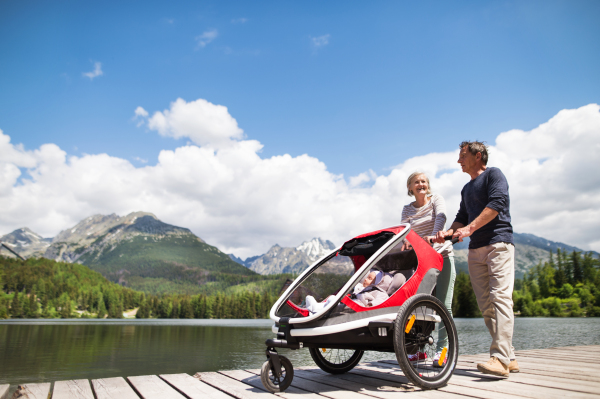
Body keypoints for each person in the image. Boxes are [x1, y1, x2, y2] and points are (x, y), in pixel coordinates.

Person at [435, 141, 518, 377]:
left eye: (462, 155)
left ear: (478, 155)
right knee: (486, 306)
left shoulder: (494, 175)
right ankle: (509, 356)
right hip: (476, 250)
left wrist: (470, 228)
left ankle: (499, 360)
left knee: (500, 298)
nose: (458, 160)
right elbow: (462, 216)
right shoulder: (466, 188)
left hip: (498, 244)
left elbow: (497, 204)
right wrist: (448, 233)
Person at [402, 171, 455, 367]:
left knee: (443, 305)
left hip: (442, 257)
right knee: (420, 306)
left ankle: (443, 350)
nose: (421, 184)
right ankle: (420, 350)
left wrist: (430, 241)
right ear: (410, 187)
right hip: (422, 262)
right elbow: (405, 232)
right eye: (416, 182)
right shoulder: (407, 209)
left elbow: (440, 220)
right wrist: (408, 243)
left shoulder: (436, 200)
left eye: (423, 181)